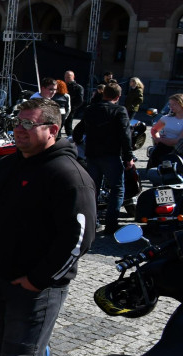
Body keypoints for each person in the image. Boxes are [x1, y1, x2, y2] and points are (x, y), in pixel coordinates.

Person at [0, 99, 96, 356]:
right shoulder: (7, 165)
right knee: (2, 353)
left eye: (28, 124)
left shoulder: (69, 175)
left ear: (52, 129)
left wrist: (38, 279)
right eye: (17, 122)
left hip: (35, 290)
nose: (19, 129)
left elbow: (79, 238)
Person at [71, 82, 133, 234]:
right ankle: (111, 225)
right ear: (118, 97)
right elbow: (125, 135)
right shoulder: (119, 110)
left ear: (103, 94)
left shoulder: (91, 109)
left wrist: (81, 143)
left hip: (92, 154)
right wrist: (128, 157)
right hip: (111, 154)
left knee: (93, 190)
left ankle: (93, 222)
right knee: (117, 189)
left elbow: (78, 131)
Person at [146, 93, 183, 170]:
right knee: (155, 167)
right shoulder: (166, 118)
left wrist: (160, 140)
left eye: (174, 104)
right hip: (163, 147)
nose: (171, 107)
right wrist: (157, 138)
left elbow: (177, 141)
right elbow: (154, 129)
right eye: (170, 104)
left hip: (179, 150)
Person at [63, 70, 85, 135]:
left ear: (73, 77)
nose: (66, 79)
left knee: (68, 126)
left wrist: (72, 108)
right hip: (61, 108)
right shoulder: (62, 86)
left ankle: (70, 140)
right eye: (65, 77)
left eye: (68, 77)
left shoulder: (78, 87)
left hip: (71, 108)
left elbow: (80, 100)